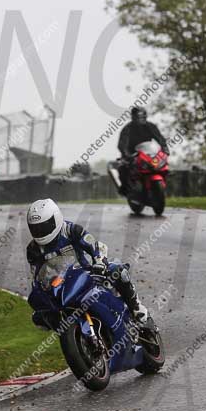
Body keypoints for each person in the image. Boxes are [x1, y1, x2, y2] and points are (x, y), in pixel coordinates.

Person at [26, 198, 151, 330]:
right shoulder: (33, 249)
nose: (40, 231)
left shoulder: (70, 230)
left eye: (44, 226)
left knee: (118, 271)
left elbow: (91, 243)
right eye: (35, 228)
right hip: (62, 288)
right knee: (38, 318)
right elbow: (36, 277)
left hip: (87, 275)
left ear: (55, 218)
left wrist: (98, 260)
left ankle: (136, 307)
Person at [115, 107, 170, 196]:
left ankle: (161, 187)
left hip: (148, 153)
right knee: (123, 168)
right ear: (133, 117)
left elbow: (160, 138)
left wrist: (165, 148)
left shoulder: (150, 126)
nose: (140, 119)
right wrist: (126, 154)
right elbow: (122, 144)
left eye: (142, 117)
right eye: (138, 117)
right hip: (132, 154)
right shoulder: (127, 129)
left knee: (163, 165)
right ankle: (125, 188)